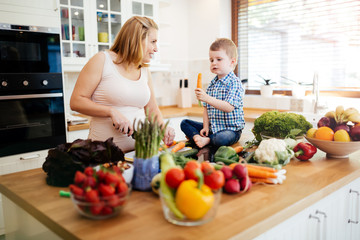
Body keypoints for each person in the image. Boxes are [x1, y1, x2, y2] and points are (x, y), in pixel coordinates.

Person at [70, 16, 175, 153]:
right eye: (153, 42)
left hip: (139, 153)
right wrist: (111, 111)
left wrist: (162, 127)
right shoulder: (102, 60)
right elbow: (76, 101)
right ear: (137, 40)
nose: (156, 49)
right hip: (103, 154)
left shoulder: (143, 68)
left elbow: (152, 109)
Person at [180, 38, 245, 148]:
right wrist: (205, 127)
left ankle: (206, 140)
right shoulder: (212, 84)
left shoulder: (235, 83)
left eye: (219, 59)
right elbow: (206, 108)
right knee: (184, 123)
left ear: (232, 62)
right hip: (213, 128)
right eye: (211, 60)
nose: (214, 63)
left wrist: (206, 98)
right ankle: (198, 137)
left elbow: (228, 107)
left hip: (231, 130)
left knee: (221, 138)